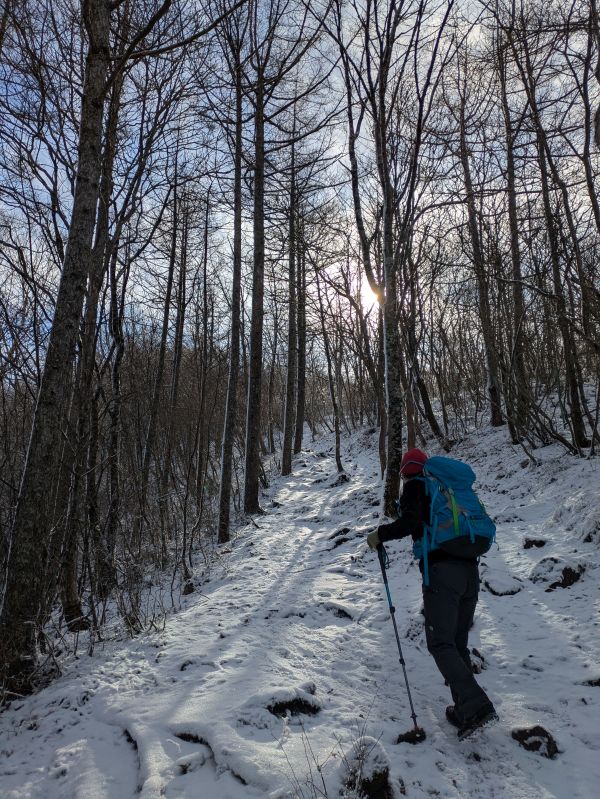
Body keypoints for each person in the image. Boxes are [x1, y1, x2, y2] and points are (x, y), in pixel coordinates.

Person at [367, 448, 497, 739]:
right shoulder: (448, 491)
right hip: (470, 571)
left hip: (442, 573)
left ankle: (476, 705)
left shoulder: (417, 487)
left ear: (405, 472)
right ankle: (464, 710)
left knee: (439, 643)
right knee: (457, 643)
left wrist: (380, 535)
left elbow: (410, 522)